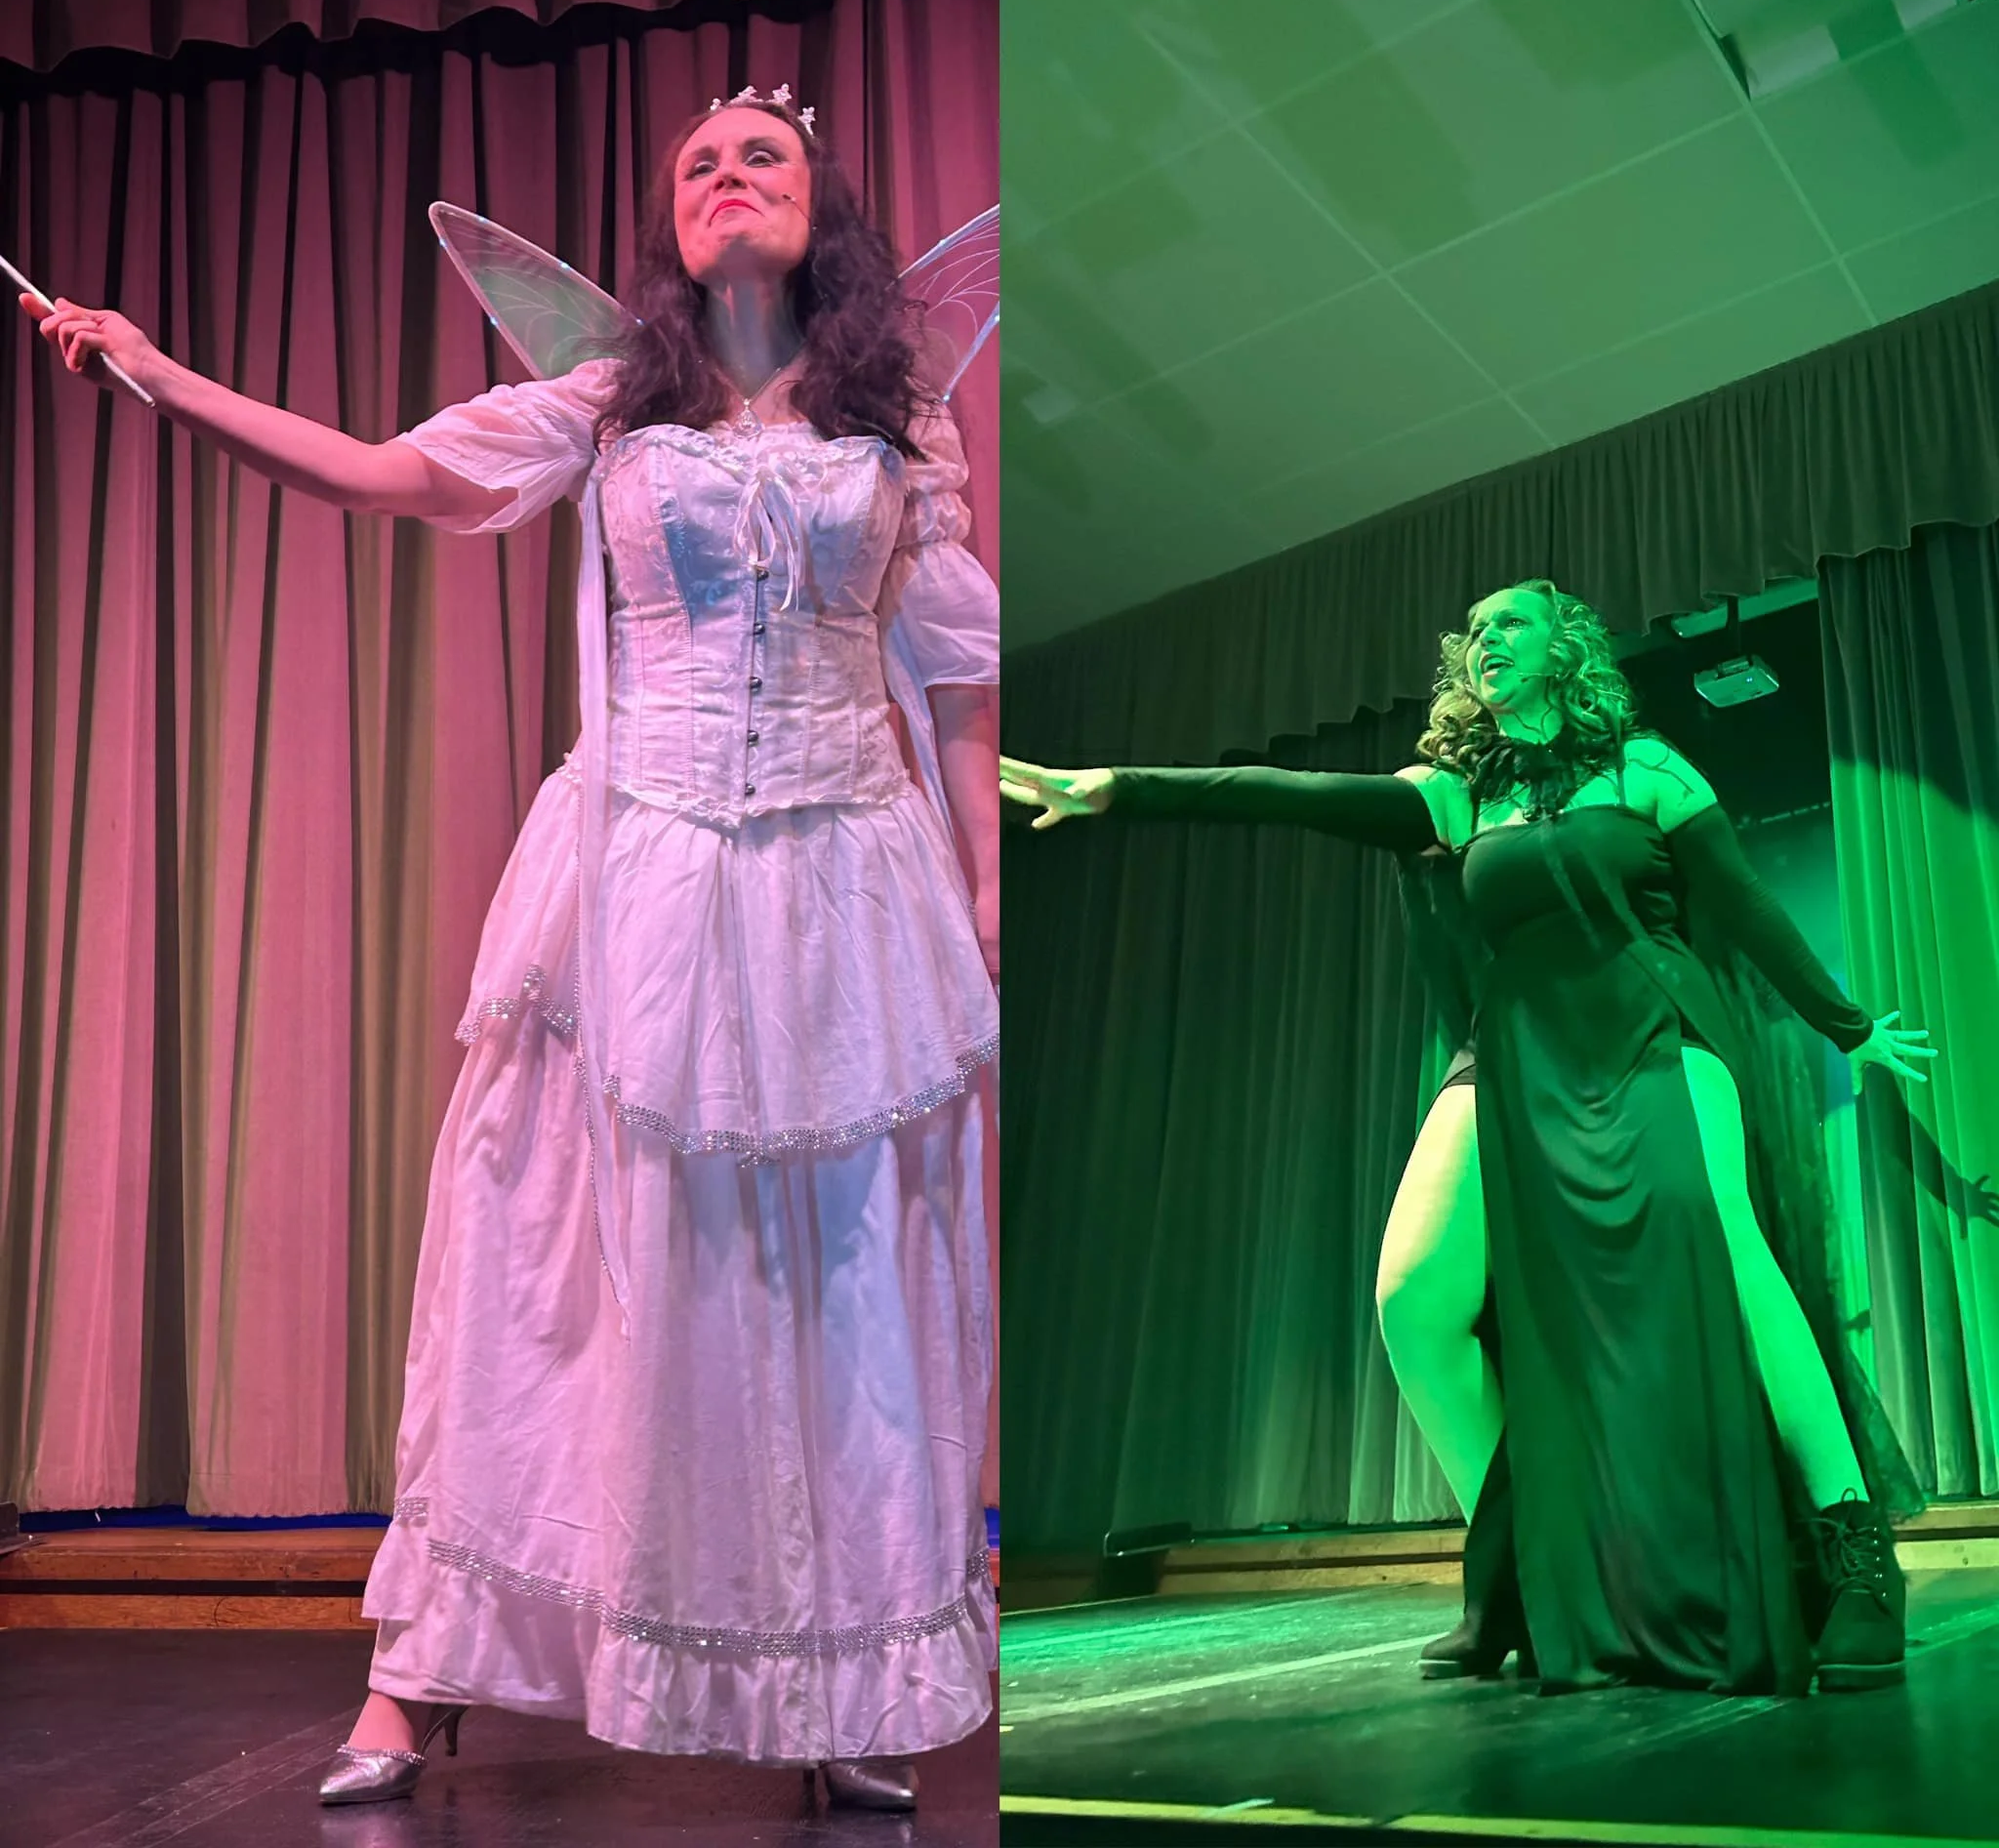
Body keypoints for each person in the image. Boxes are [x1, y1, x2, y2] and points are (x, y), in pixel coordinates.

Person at [30, 89, 999, 1809]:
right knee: (554, 1270)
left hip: (846, 885)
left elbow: (953, 673)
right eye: (695, 162)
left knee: (829, 1283)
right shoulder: (607, 406)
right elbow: (389, 475)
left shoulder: (902, 424)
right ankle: (426, 1670)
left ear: (818, 203)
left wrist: (982, 894)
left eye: (755, 154)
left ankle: (833, 1679)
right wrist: (157, 370)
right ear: (669, 225)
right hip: (634, 874)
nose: (721, 175)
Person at [1001, 580, 1935, 1697]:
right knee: (1413, 1297)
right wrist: (1120, 790)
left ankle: (1851, 1551)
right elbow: (1286, 793)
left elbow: (1740, 911)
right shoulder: (1453, 795)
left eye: (1511, 625)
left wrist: (1847, 1029)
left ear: (1567, 649)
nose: (1486, 643)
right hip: (1509, 1049)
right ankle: (1515, 1564)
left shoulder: (1648, 771)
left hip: (1651, 1027)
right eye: (1473, 633)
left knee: (1726, 1251)